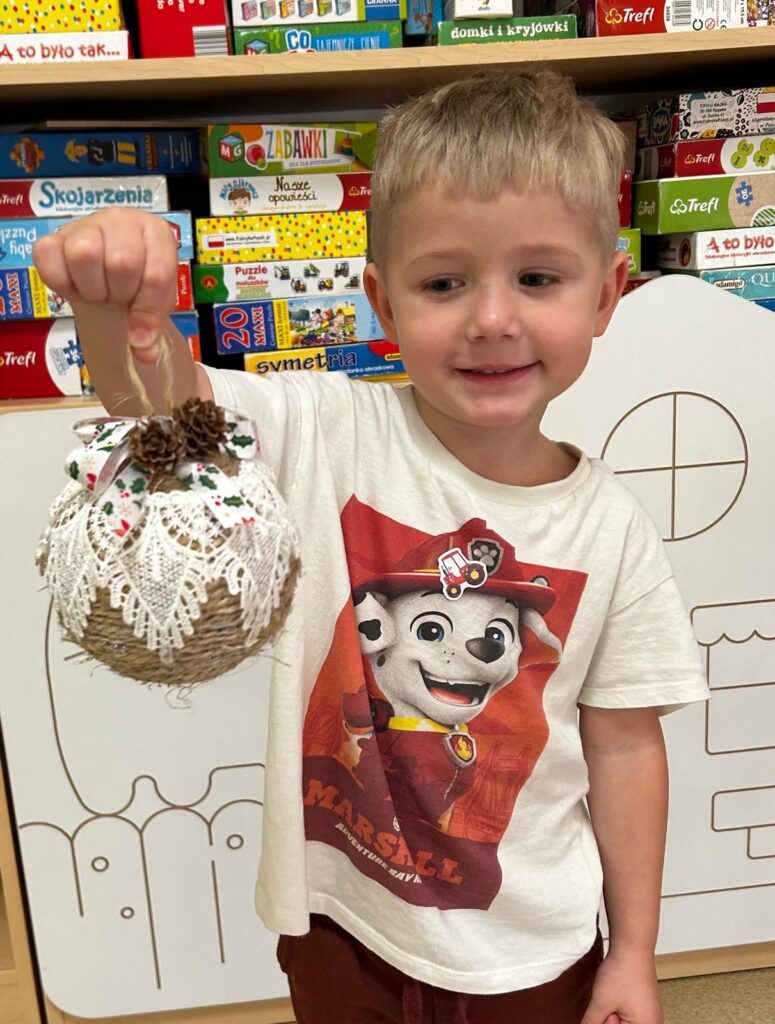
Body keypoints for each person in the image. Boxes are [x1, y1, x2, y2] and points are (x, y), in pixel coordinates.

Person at [33, 70, 710, 1024]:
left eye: (537, 278)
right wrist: (120, 309)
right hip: (342, 926)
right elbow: (156, 406)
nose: (491, 319)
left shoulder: (613, 528)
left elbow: (626, 750)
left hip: (529, 953)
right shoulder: (326, 431)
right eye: (443, 283)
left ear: (607, 296)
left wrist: (634, 952)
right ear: (382, 306)